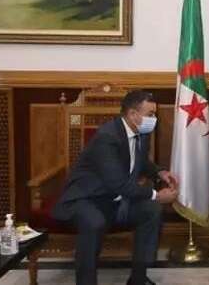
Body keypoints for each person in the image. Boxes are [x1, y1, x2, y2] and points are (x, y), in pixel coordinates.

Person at [52, 91, 179, 285]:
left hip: (116, 200)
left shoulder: (141, 132)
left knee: (151, 210)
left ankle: (138, 279)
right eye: (150, 114)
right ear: (133, 114)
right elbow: (118, 183)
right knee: (93, 222)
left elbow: (140, 160)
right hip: (88, 199)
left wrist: (160, 172)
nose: (154, 119)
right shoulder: (107, 137)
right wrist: (156, 194)